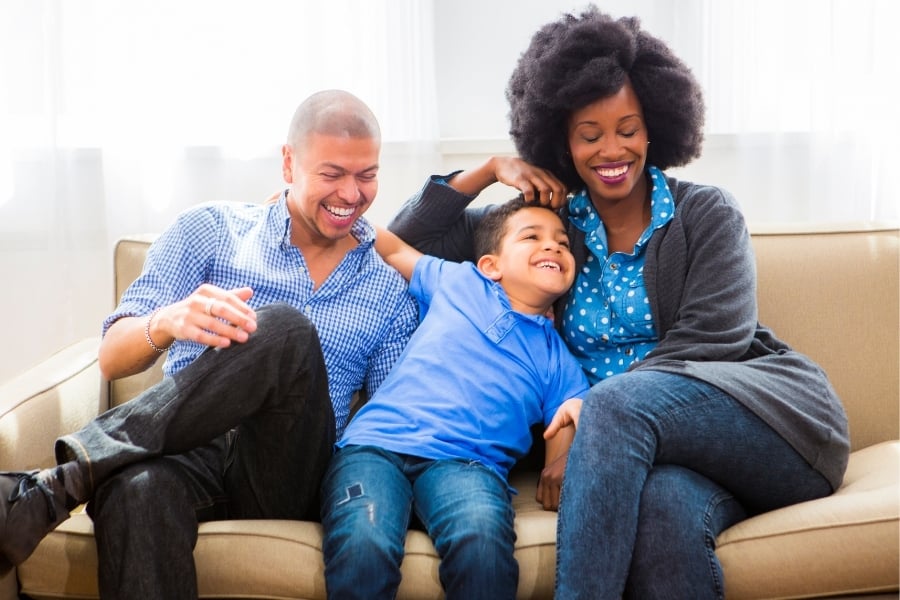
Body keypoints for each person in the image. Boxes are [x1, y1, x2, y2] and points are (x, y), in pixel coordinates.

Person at [387, 7, 850, 599]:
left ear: (656, 125)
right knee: (662, 516)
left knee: (615, 405)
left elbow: (716, 338)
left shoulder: (705, 214)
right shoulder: (552, 229)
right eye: (590, 134)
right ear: (562, 141)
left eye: (628, 129)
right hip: (656, 460)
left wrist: (593, 411)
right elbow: (409, 243)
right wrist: (486, 170)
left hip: (771, 431)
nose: (613, 149)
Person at [0, 89, 418, 599]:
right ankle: (79, 481)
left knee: (284, 329)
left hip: (288, 472)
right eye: (332, 174)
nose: (351, 194)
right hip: (182, 449)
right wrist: (169, 320)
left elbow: (392, 422)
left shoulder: (389, 288)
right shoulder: (209, 231)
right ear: (289, 163)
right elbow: (112, 357)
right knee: (136, 491)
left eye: (367, 175)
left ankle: (64, 480)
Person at [320, 198, 589, 600]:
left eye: (563, 244)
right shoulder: (462, 283)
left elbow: (558, 456)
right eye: (532, 237)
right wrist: (313, 213)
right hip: (376, 446)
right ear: (490, 266)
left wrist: (565, 460)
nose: (553, 247)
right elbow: (392, 248)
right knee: (363, 541)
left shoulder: (560, 361)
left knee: (482, 543)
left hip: (467, 466)